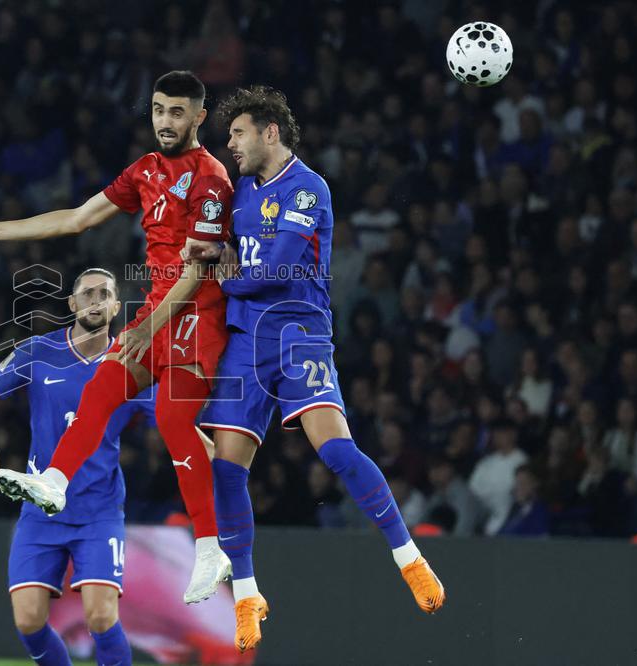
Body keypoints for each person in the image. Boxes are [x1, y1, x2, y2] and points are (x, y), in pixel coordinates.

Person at [0, 71, 234, 604]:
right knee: (102, 388)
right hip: (156, 309)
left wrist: (148, 324)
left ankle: (211, 546)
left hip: (197, 317)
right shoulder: (144, 171)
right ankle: (54, 482)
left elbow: (196, 270)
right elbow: (78, 218)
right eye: (157, 110)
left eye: (177, 113)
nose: (165, 122)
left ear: (198, 116)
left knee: (173, 422)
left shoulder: (212, 178)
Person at [188, 86, 445, 651]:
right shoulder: (240, 194)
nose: (230, 144)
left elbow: (277, 270)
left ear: (270, 132)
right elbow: (225, 251)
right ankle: (248, 593)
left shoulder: (309, 188)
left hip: (299, 335)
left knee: (336, 451)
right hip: (244, 344)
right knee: (227, 471)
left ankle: (409, 556)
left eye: (238, 134)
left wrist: (227, 277)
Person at [0, 268, 151, 666]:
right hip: (40, 511)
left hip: (98, 511)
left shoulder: (131, 364)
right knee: (28, 620)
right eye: (87, 294)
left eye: (104, 294)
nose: (95, 301)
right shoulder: (37, 352)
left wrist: (209, 451)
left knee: (101, 616)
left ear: (117, 306)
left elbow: (173, 423)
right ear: (72, 303)